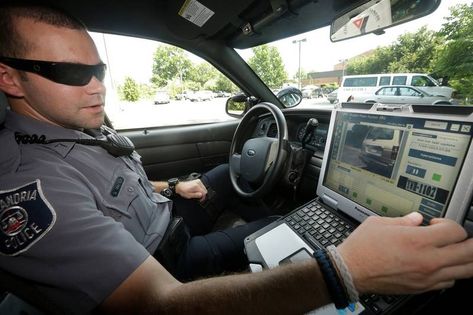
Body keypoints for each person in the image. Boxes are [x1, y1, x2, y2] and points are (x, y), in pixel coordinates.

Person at [0, 3, 472, 315]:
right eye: (69, 72)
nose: (96, 86)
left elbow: (109, 192)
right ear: (11, 78)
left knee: (228, 172)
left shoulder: (73, 123)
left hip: (165, 214)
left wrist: (174, 186)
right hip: (164, 259)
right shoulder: (28, 186)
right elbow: (158, 305)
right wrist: (344, 269)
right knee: (283, 226)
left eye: (98, 70)